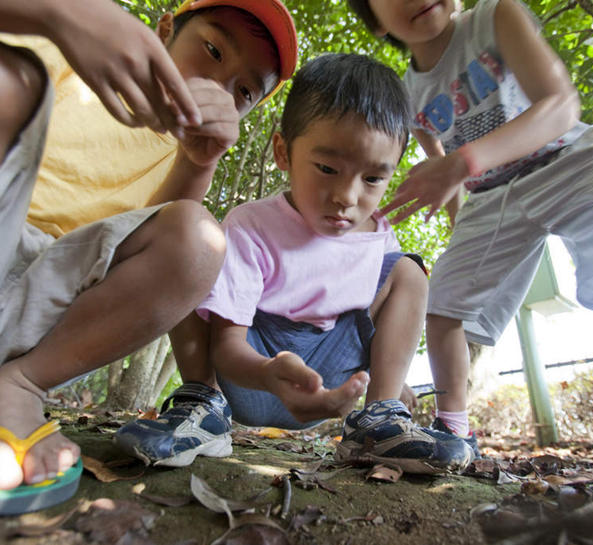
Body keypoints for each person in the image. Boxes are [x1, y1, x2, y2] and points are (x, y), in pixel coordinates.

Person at [0, 0, 297, 516]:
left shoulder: (190, 154)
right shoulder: (61, 52)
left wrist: (200, 161)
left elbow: (166, 258)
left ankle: (20, 388)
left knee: (201, 238)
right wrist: (61, 14)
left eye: (244, 91)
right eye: (213, 50)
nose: (220, 87)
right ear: (164, 29)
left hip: (38, 322)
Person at [346, 0, 593, 452]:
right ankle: (454, 430)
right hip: (489, 196)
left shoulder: (496, 16)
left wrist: (462, 163)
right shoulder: (409, 94)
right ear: (376, 22)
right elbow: (440, 167)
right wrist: (459, 222)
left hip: (569, 161)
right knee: (442, 306)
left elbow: (560, 104)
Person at [115, 53, 476, 475]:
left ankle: (379, 423)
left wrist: (392, 386)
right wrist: (268, 372)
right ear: (283, 152)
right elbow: (228, 348)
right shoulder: (251, 226)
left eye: (373, 178)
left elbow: (377, 325)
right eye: (327, 168)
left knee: (409, 272)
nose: (347, 195)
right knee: (193, 244)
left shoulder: (379, 237)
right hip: (246, 371)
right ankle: (201, 405)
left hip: (330, 377)